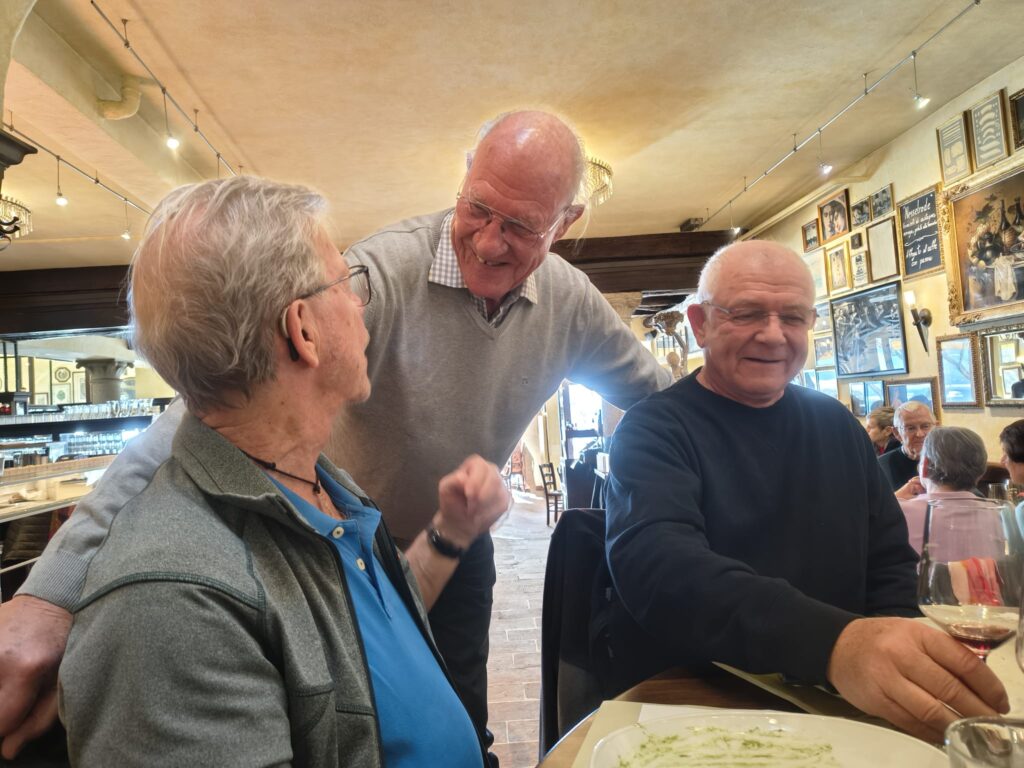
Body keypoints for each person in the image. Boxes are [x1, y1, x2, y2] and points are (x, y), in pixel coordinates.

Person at [0, 110, 670, 761]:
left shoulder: (570, 302)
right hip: (334, 541)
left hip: (441, 536)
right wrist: (48, 593)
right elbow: (202, 412)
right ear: (464, 176)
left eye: (521, 226)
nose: (491, 242)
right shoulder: (385, 272)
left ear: (565, 222)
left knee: (459, 717)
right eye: (477, 208)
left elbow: (664, 405)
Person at [57, 176, 512, 765]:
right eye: (346, 283)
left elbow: (365, 637)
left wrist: (451, 532)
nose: (360, 303)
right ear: (303, 331)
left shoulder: (321, 487)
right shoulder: (171, 602)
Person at [592, 239, 1008, 743]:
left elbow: (890, 567)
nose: (773, 335)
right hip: (692, 701)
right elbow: (662, 571)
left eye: (792, 317)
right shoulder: (654, 427)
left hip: (837, 704)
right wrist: (835, 644)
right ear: (700, 324)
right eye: (747, 313)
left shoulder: (835, 424)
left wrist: (897, 658)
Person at [898, 427, 989, 553]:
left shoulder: (899, 512)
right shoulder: (996, 513)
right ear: (981, 472)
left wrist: (895, 498)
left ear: (924, 467)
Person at [878, 401, 936, 495]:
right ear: (897, 433)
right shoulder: (880, 467)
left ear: (936, 427)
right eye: (911, 428)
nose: (919, 434)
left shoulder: (951, 461)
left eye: (925, 426)